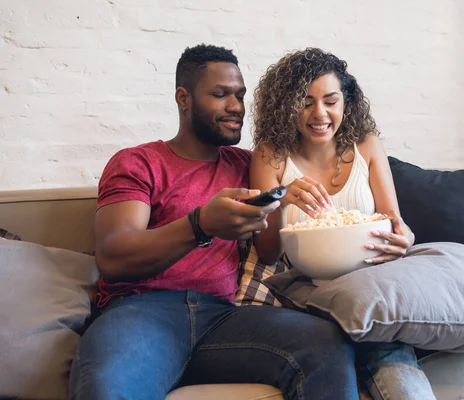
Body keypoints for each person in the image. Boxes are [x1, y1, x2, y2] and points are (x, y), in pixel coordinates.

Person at [249, 48, 464, 400]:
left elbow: (396, 223)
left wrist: (403, 237)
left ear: (346, 102)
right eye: (305, 101)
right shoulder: (271, 155)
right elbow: (267, 253)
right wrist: (280, 201)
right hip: (322, 290)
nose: (320, 113)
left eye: (330, 101)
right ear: (286, 105)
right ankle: (415, 327)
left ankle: (415, 320)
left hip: (386, 272)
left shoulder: (367, 145)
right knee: (380, 336)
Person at [69, 44, 361, 400]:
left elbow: (321, 150)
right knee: (106, 389)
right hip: (141, 311)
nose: (236, 107)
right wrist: (201, 224)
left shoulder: (248, 164)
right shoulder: (139, 162)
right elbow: (114, 257)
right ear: (184, 98)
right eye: (220, 95)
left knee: (327, 345)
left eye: (239, 95)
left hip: (223, 318)